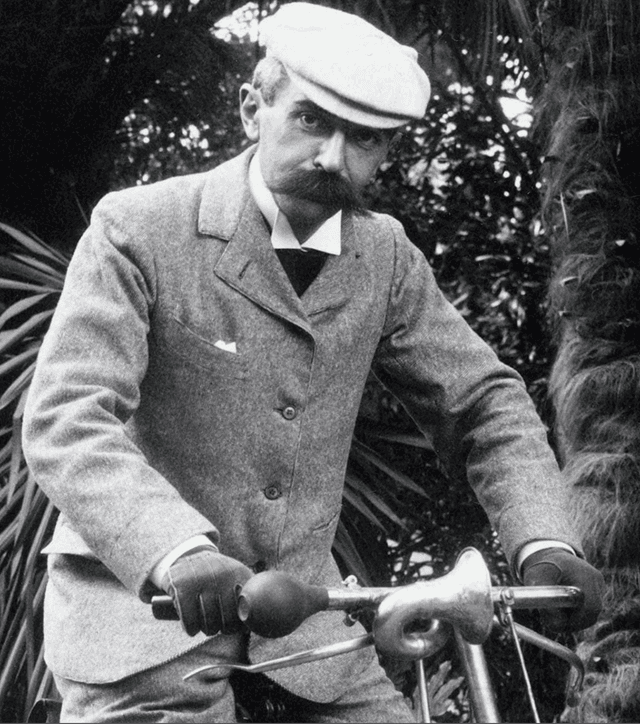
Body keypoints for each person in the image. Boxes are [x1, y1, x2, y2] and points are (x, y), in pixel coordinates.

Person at [23, 3, 604, 722]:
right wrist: (176, 552)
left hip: (310, 622)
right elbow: (66, 416)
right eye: (311, 120)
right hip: (143, 615)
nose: (333, 157)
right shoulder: (139, 228)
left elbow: (484, 401)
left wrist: (542, 537)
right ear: (252, 108)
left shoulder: (384, 256)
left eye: (363, 139)